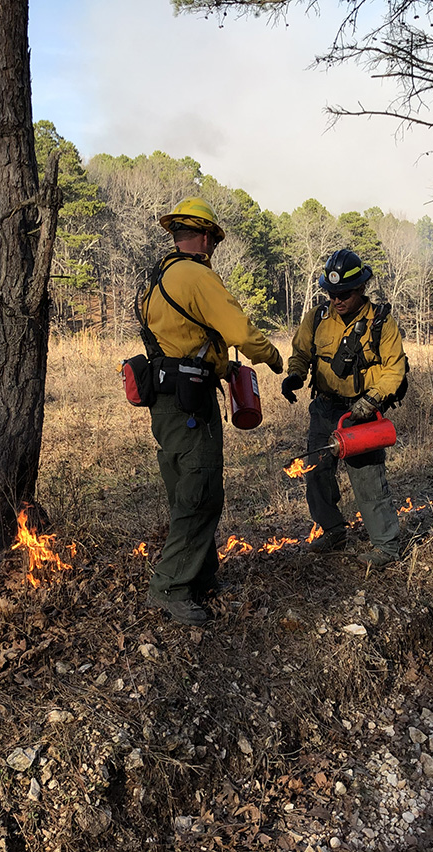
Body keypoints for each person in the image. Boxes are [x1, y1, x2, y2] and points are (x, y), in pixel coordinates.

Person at [138, 196, 284, 627]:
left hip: (167, 401)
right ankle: (170, 586)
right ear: (204, 237)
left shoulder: (157, 278)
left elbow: (182, 337)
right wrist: (272, 357)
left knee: (189, 488)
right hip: (190, 403)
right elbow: (240, 330)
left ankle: (200, 574)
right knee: (198, 492)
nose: (213, 248)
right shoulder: (196, 276)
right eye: (214, 241)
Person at [281, 248, 408, 568]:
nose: (337, 299)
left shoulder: (381, 322)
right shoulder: (317, 317)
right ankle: (333, 530)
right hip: (324, 410)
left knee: (368, 481)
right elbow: (300, 351)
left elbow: (395, 368)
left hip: (360, 415)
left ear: (361, 287)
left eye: (344, 294)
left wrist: (373, 398)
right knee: (317, 475)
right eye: (331, 293)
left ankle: (387, 546)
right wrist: (295, 374)